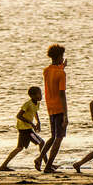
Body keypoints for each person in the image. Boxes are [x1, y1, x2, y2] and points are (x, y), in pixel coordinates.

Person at [34, 44, 68, 173]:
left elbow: (55, 71)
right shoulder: (61, 73)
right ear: (59, 56)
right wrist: (66, 115)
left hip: (50, 108)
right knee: (58, 138)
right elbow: (62, 95)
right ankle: (48, 166)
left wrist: (62, 66)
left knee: (53, 136)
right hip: (59, 108)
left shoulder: (46, 70)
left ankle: (39, 159)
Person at [0, 87, 46, 171]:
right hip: (25, 129)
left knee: (19, 148)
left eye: (41, 93)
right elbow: (19, 115)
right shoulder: (27, 104)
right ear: (32, 96)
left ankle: (3, 165)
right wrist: (31, 123)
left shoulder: (37, 103)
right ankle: (46, 164)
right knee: (41, 142)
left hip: (25, 128)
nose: (41, 95)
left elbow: (35, 112)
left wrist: (38, 122)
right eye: (39, 94)